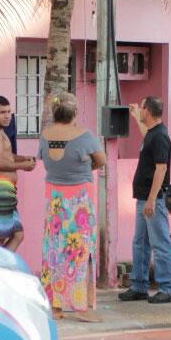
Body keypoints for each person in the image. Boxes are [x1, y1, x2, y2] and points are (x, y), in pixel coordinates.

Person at [39, 92, 106, 322]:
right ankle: (81, 307)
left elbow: (45, 159)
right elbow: (102, 159)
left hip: (55, 199)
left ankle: (55, 306)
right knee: (80, 250)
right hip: (80, 200)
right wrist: (86, 168)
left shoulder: (45, 136)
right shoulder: (84, 136)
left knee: (54, 250)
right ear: (75, 114)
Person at [118, 96, 171, 304]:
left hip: (153, 199)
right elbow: (147, 138)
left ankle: (168, 287)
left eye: (141, 108)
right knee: (140, 243)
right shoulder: (153, 134)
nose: (139, 110)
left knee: (160, 243)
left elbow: (162, 169)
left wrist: (152, 199)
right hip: (144, 198)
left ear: (148, 111)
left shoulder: (160, 137)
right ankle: (139, 285)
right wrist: (135, 117)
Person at [0, 96, 37, 252]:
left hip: (5, 189)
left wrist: (22, 158)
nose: (7, 116)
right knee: (0, 236)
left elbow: (6, 156)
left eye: (9, 112)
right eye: (2, 112)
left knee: (17, 235)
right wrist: (23, 166)